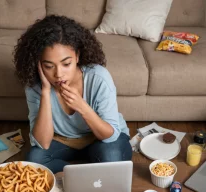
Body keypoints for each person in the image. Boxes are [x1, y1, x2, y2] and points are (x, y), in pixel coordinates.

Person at [13, 15, 132, 174]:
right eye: (49, 66)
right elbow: (43, 143)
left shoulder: (99, 77)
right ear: (39, 64)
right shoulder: (35, 86)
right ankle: (86, 174)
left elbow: (109, 136)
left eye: (66, 64)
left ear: (77, 56)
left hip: (100, 138)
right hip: (63, 141)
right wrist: (46, 94)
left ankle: (83, 174)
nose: (58, 74)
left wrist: (82, 107)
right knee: (34, 161)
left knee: (111, 155)